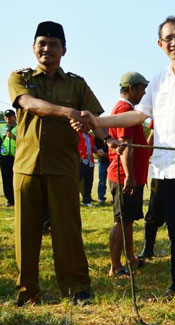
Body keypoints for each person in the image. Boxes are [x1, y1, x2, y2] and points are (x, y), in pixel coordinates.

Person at [82, 16, 175, 313]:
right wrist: (98, 121)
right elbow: (138, 116)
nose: (174, 43)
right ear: (160, 45)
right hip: (166, 167)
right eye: (168, 39)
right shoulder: (159, 80)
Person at [8, 21, 121, 307]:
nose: (47, 49)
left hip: (63, 167)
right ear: (34, 48)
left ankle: (77, 289)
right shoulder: (18, 77)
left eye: (54, 44)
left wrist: (108, 140)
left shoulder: (76, 83)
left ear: (64, 50)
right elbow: (30, 105)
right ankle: (27, 291)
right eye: (42, 43)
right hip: (26, 167)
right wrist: (68, 111)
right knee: (26, 231)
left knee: (67, 229)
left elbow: (92, 120)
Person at [107, 72, 150, 278]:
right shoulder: (124, 109)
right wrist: (130, 177)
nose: (144, 93)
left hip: (130, 175)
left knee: (128, 219)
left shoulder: (127, 109)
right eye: (142, 89)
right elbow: (126, 147)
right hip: (124, 176)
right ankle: (115, 266)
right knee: (121, 220)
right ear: (132, 88)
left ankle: (130, 258)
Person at [136, 120, 166, 262]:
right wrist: (143, 158)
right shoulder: (159, 109)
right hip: (161, 170)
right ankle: (148, 249)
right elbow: (152, 137)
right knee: (154, 210)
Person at [0, 109, 17, 206]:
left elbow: (25, 140)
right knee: (6, 178)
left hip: (16, 156)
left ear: (14, 117)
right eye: (6, 116)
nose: (8, 118)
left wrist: (13, 136)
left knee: (15, 178)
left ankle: (17, 198)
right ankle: (9, 199)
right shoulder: (2, 128)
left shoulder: (20, 127)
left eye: (10, 116)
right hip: (5, 157)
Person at [77, 128, 96, 206]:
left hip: (90, 162)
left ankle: (87, 200)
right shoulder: (77, 135)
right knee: (77, 181)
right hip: (81, 161)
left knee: (89, 181)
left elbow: (93, 147)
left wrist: (97, 151)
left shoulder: (90, 136)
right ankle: (73, 199)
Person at [94, 136, 109, 204]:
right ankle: (101, 198)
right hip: (103, 161)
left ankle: (117, 196)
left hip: (113, 160)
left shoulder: (112, 134)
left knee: (117, 180)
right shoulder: (97, 137)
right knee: (102, 181)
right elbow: (96, 150)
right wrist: (100, 153)